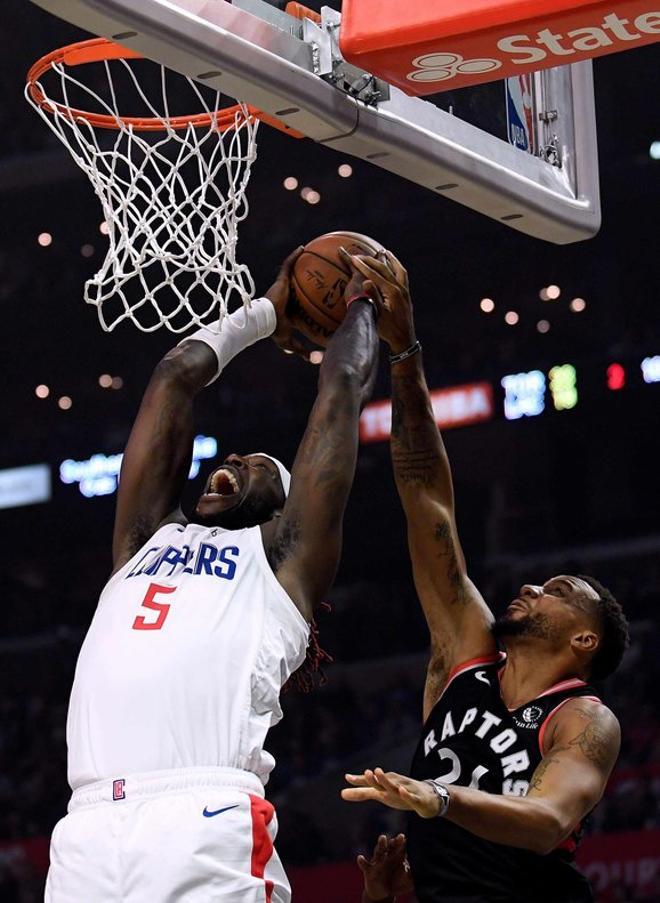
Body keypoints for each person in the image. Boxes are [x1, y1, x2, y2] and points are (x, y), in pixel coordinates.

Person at [45, 247, 381, 903]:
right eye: (234, 454)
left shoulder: (282, 565)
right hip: (85, 828)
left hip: (201, 818)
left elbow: (340, 395)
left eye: (256, 463)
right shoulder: (144, 539)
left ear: (282, 503)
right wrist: (266, 311)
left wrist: (364, 304)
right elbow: (174, 377)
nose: (234, 458)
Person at [340, 249, 630, 903]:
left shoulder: (582, 716)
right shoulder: (465, 659)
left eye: (560, 592)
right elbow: (426, 501)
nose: (531, 586)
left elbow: (550, 818)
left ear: (584, 641)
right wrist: (405, 355)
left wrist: (440, 798)